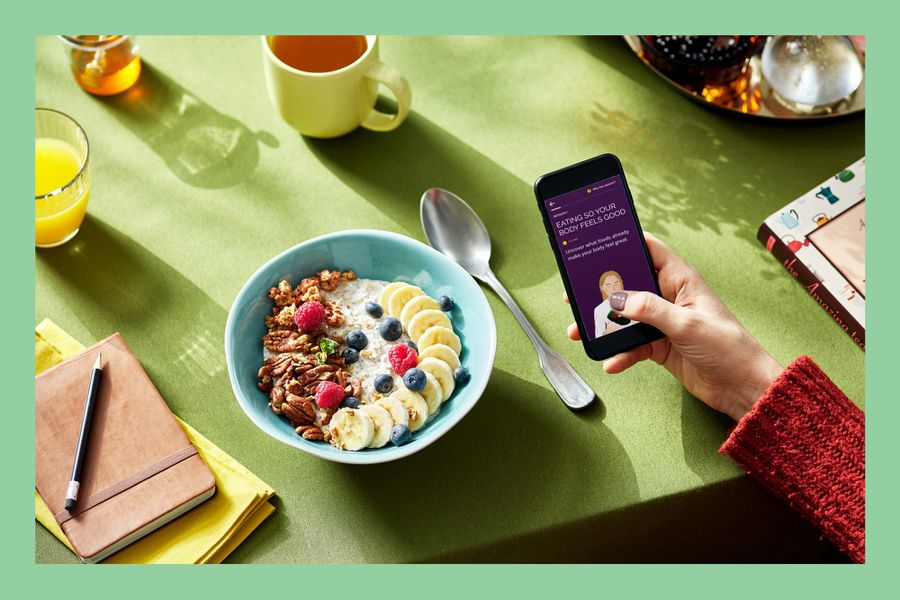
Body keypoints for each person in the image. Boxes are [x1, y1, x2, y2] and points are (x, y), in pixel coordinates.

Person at [566, 233, 865, 563]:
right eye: (607, 287)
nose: (612, 292)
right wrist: (748, 384)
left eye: (615, 285)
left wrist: (751, 389)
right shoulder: (599, 314)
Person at [593, 270, 630, 338]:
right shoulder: (599, 310)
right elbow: (598, 337)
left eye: (616, 283)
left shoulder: (632, 300)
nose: (613, 288)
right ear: (602, 288)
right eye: (608, 285)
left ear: (621, 283)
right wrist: (608, 332)